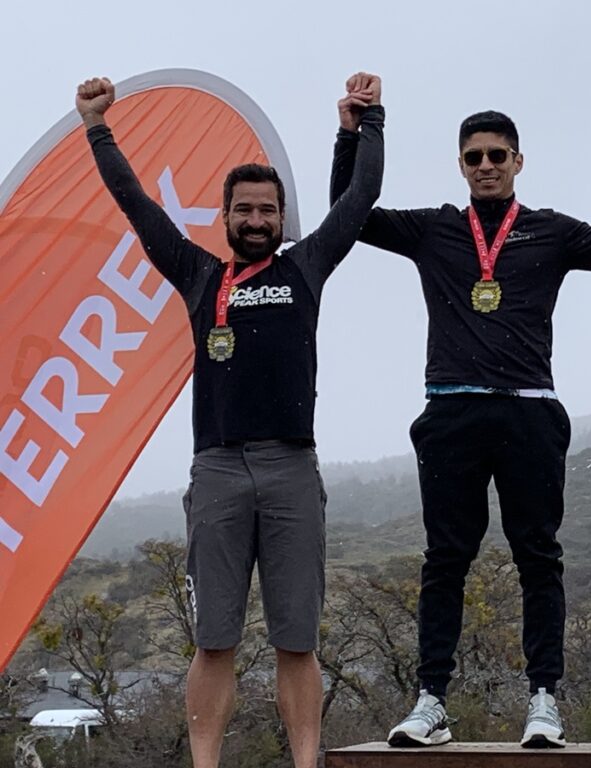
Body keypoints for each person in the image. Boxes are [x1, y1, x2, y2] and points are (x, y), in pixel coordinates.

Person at [330, 76, 591, 748]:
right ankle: (431, 702)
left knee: (537, 556)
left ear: (518, 161)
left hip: (530, 412)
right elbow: (350, 215)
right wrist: (356, 131)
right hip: (451, 412)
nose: (486, 165)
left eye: (498, 155)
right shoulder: (433, 231)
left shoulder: (552, 232)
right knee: (444, 559)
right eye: (474, 157)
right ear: (461, 164)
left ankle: (543, 699)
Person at [76, 73, 385, 768]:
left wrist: (370, 122)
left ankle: (308, 762)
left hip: (291, 470)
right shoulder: (197, 276)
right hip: (216, 470)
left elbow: (361, 197)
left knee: (297, 639)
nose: (254, 219)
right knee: (214, 638)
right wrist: (97, 126)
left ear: (281, 218)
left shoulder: (305, 268)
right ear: (224, 216)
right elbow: (135, 203)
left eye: (266, 210)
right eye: (243, 209)